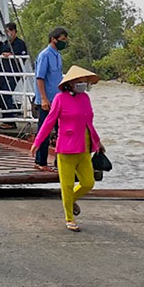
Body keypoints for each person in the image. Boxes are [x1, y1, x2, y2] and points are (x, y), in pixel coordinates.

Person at [32, 66, 104, 232]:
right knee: (67, 185)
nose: (83, 84)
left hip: (85, 147)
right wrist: (38, 142)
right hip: (66, 147)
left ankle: (69, 200)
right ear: (70, 83)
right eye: (79, 82)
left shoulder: (85, 98)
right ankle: (69, 218)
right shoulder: (60, 99)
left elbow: (89, 123)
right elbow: (49, 121)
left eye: (84, 82)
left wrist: (98, 141)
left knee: (88, 182)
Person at [32, 27, 68, 170]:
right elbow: (40, 78)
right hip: (47, 101)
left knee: (61, 131)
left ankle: (59, 161)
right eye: (62, 40)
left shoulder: (58, 56)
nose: (64, 43)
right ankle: (40, 162)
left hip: (58, 99)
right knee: (44, 131)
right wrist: (43, 99)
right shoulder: (45, 55)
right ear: (54, 39)